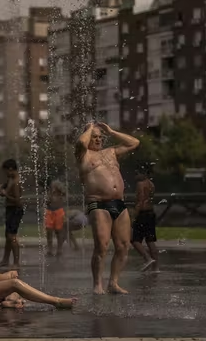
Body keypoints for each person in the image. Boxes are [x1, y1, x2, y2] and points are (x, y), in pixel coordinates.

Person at [76, 121, 139, 294]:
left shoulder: (111, 152)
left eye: (100, 137)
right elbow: (81, 142)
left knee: (124, 245)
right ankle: (98, 285)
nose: (97, 140)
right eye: (94, 137)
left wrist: (111, 131)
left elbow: (134, 143)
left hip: (119, 203)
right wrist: (89, 128)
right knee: (102, 246)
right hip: (98, 204)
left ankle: (113, 282)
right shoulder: (83, 155)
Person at [0, 223, 76, 309]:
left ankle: (8, 303)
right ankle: (56, 301)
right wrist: (8, 275)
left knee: (13, 292)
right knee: (15, 283)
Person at [131, 166, 159, 272]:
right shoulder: (151, 184)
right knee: (150, 240)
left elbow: (140, 201)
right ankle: (156, 268)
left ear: (143, 174)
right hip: (151, 213)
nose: (135, 176)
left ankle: (147, 258)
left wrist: (134, 217)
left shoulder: (140, 184)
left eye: (137, 173)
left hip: (142, 213)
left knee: (134, 239)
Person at [0, 159, 23, 270]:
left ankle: (16, 262)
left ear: (11, 169)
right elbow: (6, 185)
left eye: (6, 171)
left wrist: (5, 194)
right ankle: (5, 260)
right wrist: (2, 188)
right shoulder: (11, 179)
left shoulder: (16, 181)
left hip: (15, 209)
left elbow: (17, 200)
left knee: (12, 236)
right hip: (10, 209)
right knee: (8, 236)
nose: (5, 174)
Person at [45, 180, 67, 257]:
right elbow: (46, 202)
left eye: (55, 186)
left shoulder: (61, 194)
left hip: (58, 212)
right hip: (49, 211)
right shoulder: (49, 193)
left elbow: (64, 196)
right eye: (52, 185)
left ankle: (59, 249)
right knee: (49, 231)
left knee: (59, 231)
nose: (53, 187)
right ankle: (50, 250)